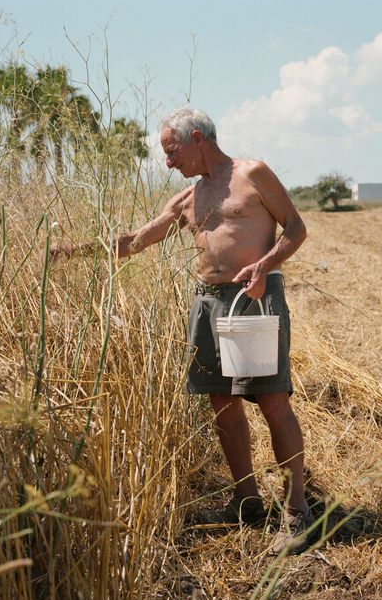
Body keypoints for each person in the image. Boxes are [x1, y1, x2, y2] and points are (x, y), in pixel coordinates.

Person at [50, 107, 315, 555]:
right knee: (222, 404)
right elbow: (134, 242)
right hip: (208, 304)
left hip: (254, 297)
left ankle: (297, 512)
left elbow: (295, 227)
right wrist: (71, 252)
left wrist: (264, 265)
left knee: (272, 401)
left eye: (171, 152)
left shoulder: (252, 174)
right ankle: (246, 499)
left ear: (197, 138)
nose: (169, 163)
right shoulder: (189, 199)